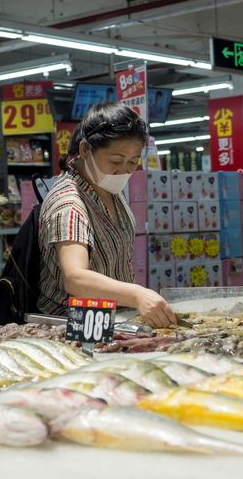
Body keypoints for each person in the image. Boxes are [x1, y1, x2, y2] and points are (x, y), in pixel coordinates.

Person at [38, 102, 177, 328]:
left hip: (112, 319)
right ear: (85, 150)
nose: (124, 170)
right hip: (76, 326)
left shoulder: (109, 189)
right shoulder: (69, 204)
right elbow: (75, 278)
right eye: (115, 160)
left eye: (133, 162)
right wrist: (136, 295)